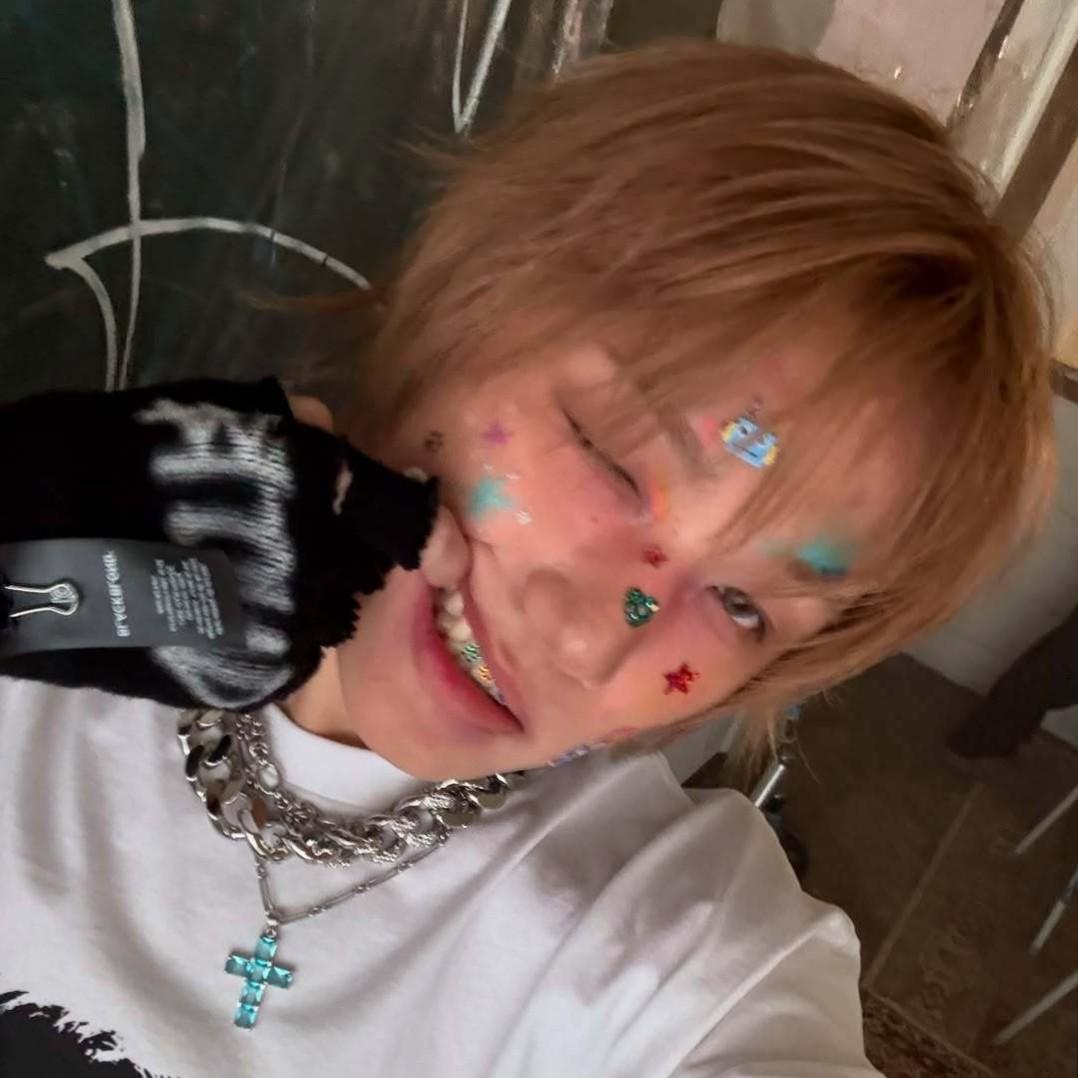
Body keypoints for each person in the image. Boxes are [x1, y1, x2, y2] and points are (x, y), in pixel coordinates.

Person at [0, 40, 1055, 1078]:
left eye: (741, 605)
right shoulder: (53, 585)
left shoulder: (669, 948)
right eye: (609, 456)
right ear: (460, 303)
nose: (593, 639)